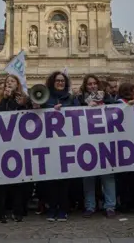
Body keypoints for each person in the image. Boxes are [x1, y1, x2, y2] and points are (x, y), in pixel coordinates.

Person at [33, 71, 79, 222]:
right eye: (57, 81)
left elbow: (80, 116)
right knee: (51, 179)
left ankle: (63, 209)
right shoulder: (45, 98)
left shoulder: (71, 99)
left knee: (64, 180)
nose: (60, 83)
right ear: (52, 82)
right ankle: (52, 208)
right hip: (48, 144)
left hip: (66, 143)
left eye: (62, 81)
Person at [0, 75, 30, 223]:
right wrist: (5, 99)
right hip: (3, 145)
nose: (9, 84)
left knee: (18, 181)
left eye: (12, 82)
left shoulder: (23, 99)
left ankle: (18, 210)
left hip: (18, 144)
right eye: (7, 82)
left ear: (17, 84)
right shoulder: (1, 101)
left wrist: (21, 104)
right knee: (2, 180)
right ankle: (2, 211)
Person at [77, 74, 116, 218]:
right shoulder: (80, 100)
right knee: (88, 176)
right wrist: (86, 107)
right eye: (89, 84)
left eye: (94, 84)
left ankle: (110, 206)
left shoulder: (106, 97)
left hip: (105, 141)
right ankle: (90, 206)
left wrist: (106, 106)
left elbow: (116, 110)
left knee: (108, 176)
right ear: (85, 86)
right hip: (87, 142)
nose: (92, 86)